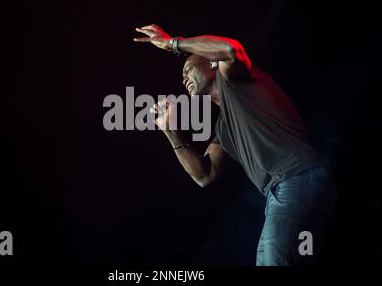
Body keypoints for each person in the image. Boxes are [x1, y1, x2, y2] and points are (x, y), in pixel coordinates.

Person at [133, 24, 337, 266]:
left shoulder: (236, 80)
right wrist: (170, 130)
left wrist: (172, 43)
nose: (184, 77)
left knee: (272, 260)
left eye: (188, 69)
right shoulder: (224, 126)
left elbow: (231, 48)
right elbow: (204, 175)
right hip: (283, 190)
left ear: (210, 62)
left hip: (298, 178)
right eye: (182, 76)